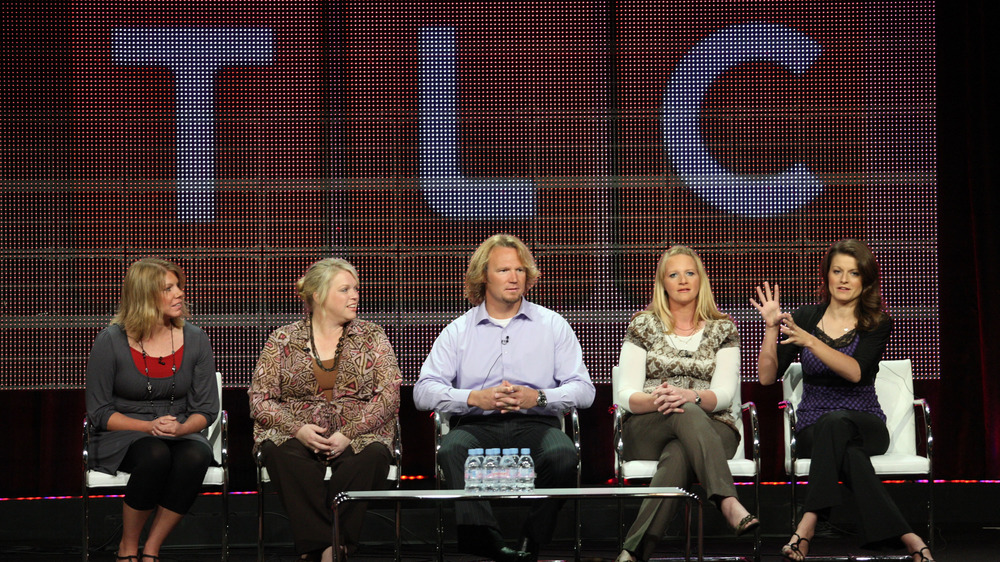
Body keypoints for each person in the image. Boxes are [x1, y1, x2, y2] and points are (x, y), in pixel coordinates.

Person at [413, 233, 595, 562]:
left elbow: (584, 389)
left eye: (520, 270)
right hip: (477, 425)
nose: (514, 278)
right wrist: (474, 398)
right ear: (483, 276)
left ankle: (531, 540)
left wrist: (538, 397)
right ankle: (486, 542)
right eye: (504, 270)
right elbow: (423, 390)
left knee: (563, 455)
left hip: (537, 424)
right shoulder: (458, 331)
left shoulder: (552, 325)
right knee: (452, 449)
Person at [752, 239, 935, 562]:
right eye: (837, 271)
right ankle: (910, 538)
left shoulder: (877, 322)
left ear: (865, 280)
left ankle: (807, 523)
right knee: (848, 453)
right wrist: (770, 329)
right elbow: (767, 377)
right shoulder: (806, 316)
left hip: (866, 424)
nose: (844, 280)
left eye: (853, 273)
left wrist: (810, 341)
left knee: (838, 424)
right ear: (826, 276)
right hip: (813, 427)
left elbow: (854, 371)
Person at [249, 258, 401, 562]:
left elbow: (390, 394)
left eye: (356, 288)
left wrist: (349, 432)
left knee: (366, 457)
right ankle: (328, 547)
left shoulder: (372, 336)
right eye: (344, 289)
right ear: (317, 295)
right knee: (287, 455)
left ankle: (324, 548)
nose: (355, 295)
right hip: (297, 431)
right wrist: (297, 429)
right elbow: (260, 399)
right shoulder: (282, 339)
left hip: (360, 430)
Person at [614, 246, 759, 562]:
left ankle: (633, 552)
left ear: (701, 279)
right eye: (674, 274)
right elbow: (626, 394)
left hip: (714, 428)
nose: (682, 280)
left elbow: (723, 393)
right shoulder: (643, 325)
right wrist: (661, 398)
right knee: (685, 410)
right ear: (662, 282)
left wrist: (689, 396)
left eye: (690, 273)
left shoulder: (724, 328)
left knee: (680, 449)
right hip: (647, 426)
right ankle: (726, 500)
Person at [85, 258, 219, 562]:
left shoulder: (196, 338)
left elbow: (207, 408)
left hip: (178, 428)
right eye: (168, 288)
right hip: (122, 432)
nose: (180, 293)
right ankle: (128, 548)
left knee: (196, 456)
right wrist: (147, 427)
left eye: (179, 286)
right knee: (154, 455)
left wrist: (183, 429)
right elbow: (99, 411)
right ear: (144, 296)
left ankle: (152, 549)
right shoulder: (111, 341)